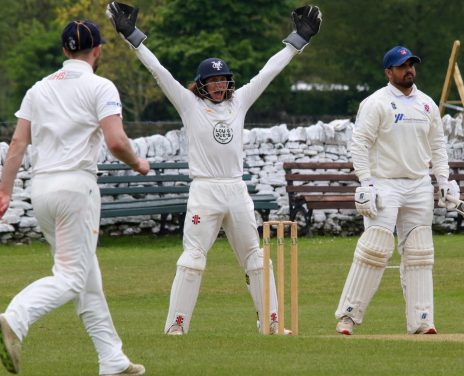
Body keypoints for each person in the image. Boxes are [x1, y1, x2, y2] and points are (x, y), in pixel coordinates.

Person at [106, 2, 321, 336]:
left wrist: (298, 40)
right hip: (204, 191)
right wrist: (133, 37)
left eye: (224, 79)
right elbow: (159, 72)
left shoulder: (240, 101)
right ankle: (176, 327)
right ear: (202, 84)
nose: (220, 85)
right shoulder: (189, 104)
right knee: (192, 259)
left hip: (236, 189)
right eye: (213, 80)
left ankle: (272, 325)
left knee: (256, 258)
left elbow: (268, 72)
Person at [0, 20, 148, 375]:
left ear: (65, 51)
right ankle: (14, 320)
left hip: (42, 190)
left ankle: (112, 359)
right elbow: (115, 141)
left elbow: (18, 144)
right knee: (70, 277)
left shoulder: (39, 88)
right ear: (96, 51)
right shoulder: (100, 86)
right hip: (76, 189)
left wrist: (4, 190)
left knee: (86, 278)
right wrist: (138, 162)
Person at [335, 46, 460, 335]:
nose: (409, 70)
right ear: (388, 72)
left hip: (418, 185)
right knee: (375, 249)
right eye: (402, 66)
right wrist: (366, 183)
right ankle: (348, 317)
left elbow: (438, 146)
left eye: (411, 64)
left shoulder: (427, 104)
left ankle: (422, 320)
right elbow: (360, 144)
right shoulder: (375, 103)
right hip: (384, 183)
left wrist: (443, 181)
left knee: (419, 253)